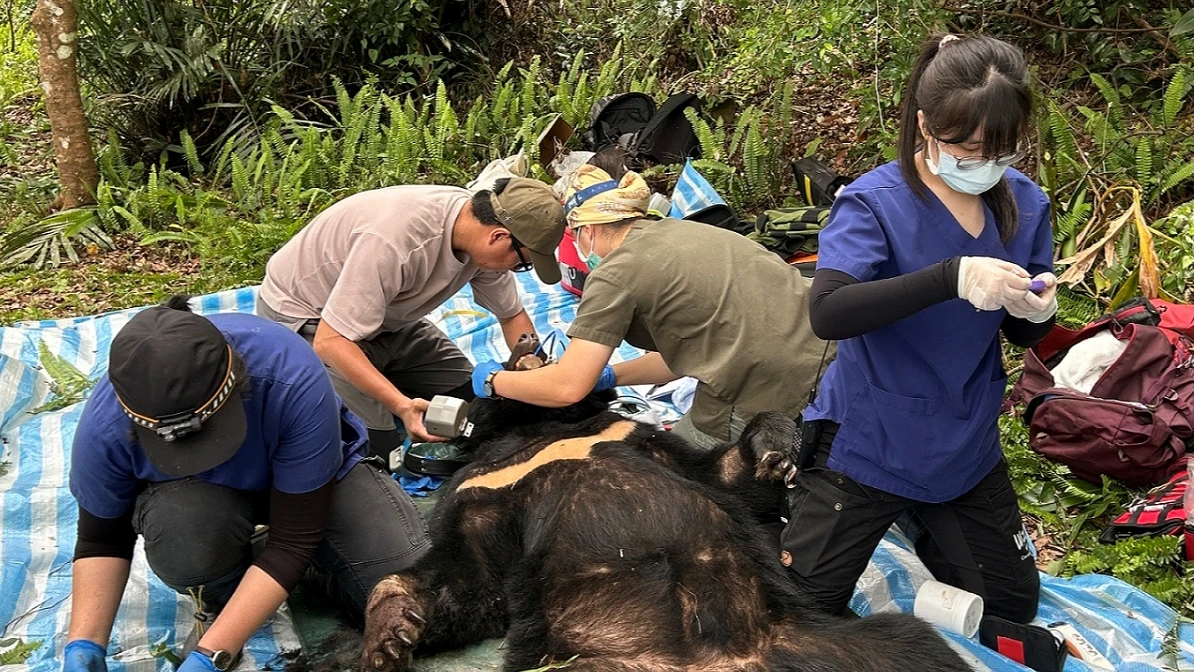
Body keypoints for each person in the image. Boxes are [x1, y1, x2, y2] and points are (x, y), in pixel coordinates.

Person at [781, 34, 1054, 623]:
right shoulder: (875, 203)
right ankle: (895, 511)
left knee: (1011, 607)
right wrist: (950, 277)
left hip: (964, 438)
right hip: (871, 438)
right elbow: (828, 311)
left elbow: (1023, 337)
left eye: (1001, 150)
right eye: (970, 149)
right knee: (802, 611)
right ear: (926, 125)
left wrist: (1037, 312)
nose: (985, 165)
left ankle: (928, 519)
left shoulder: (1026, 203)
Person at [62, 297, 430, 672]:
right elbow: (102, 538)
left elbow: (294, 539)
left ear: (238, 380)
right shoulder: (104, 428)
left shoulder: (289, 375)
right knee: (186, 539)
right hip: (203, 500)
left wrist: (209, 659)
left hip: (316, 485)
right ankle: (223, 592)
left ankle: (309, 566)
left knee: (414, 596)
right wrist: (84, 645)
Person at [469, 148, 831, 449]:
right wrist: (610, 376)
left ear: (586, 229)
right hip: (833, 352)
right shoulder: (686, 229)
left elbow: (566, 387)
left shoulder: (615, 273)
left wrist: (493, 382)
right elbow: (685, 354)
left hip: (771, 389)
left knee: (680, 467)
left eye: (576, 235)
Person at [257, 178, 566, 454]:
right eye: (522, 263)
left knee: (474, 409)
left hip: (388, 319)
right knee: (375, 448)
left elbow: (512, 315)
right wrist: (401, 405)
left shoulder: (479, 235)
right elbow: (330, 340)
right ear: (498, 237)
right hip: (312, 321)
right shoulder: (394, 241)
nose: (516, 270)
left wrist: (534, 369)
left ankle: (385, 373)